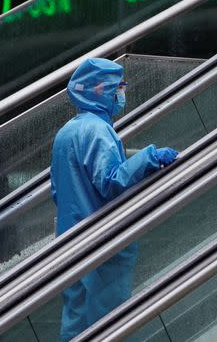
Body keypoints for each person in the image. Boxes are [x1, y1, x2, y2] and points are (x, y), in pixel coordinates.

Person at [50, 58, 179, 341]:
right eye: (119, 87)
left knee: (76, 321)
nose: (122, 94)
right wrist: (149, 157)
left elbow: (58, 190)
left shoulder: (66, 133)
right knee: (109, 326)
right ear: (102, 89)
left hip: (70, 241)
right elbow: (110, 181)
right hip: (102, 246)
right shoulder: (97, 131)